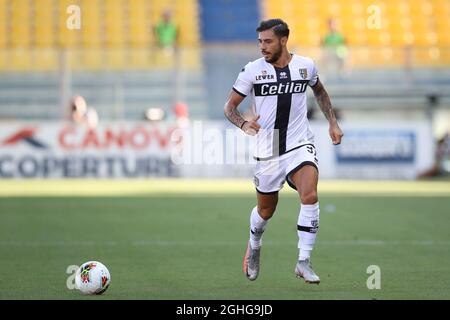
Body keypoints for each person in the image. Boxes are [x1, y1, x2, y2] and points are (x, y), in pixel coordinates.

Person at [224, 19, 343, 284]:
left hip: (300, 143)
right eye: (260, 42)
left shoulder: (306, 66)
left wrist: (333, 123)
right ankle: (254, 242)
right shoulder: (252, 71)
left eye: (267, 41)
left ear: (283, 40)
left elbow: (320, 91)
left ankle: (303, 261)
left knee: (310, 193)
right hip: (268, 149)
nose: (262, 47)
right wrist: (243, 123)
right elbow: (229, 107)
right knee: (266, 211)